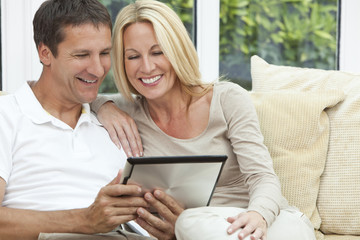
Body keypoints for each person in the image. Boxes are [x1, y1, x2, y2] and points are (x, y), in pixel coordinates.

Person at [92, 0, 317, 240]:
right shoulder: (129, 111)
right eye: (133, 56)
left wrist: (258, 215)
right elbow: (77, 97)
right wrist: (103, 106)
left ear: (177, 50)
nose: (147, 67)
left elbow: (262, 176)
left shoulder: (227, 99)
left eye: (158, 52)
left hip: (269, 224)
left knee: (187, 223)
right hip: (201, 230)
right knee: (188, 225)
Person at [0, 0, 154, 239]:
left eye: (104, 53)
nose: (98, 69)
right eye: (82, 54)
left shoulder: (114, 124)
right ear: (45, 53)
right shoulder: (6, 115)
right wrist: (84, 220)